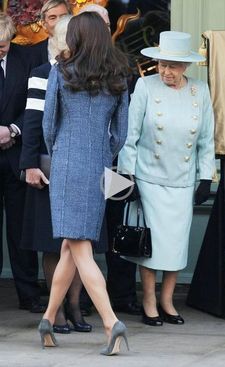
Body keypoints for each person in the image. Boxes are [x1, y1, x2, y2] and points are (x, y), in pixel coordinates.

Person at [39, 12, 129, 355]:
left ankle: (110, 322)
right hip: (99, 166)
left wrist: (60, 152)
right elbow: (120, 134)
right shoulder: (119, 75)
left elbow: (48, 125)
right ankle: (48, 319)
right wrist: (103, 155)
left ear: (76, 38)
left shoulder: (60, 71)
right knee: (71, 245)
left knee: (80, 247)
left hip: (66, 163)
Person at [117, 31, 216, 326]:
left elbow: (206, 139)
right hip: (148, 179)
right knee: (150, 246)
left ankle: (167, 301)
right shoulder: (145, 86)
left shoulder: (200, 90)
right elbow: (129, 136)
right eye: (161, 65)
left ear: (186, 66)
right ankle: (149, 301)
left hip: (182, 180)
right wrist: (128, 177)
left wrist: (205, 177)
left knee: (174, 245)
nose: (166, 71)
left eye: (172, 66)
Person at [20, 14, 92, 334]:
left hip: (81, 171)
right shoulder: (41, 73)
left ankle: (76, 307)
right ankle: (58, 310)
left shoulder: (89, 73)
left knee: (79, 243)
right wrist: (30, 165)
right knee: (53, 245)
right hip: (48, 170)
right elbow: (33, 124)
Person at [77, 2, 141, 317]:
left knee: (119, 226)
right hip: (84, 164)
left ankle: (123, 294)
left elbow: (126, 121)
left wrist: (117, 158)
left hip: (116, 163)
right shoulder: (71, 65)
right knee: (87, 231)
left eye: (104, 22)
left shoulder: (124, 64)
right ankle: (87, 298)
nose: (101, 29)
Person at [0, 12, 45, 312]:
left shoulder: (25, 59)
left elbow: (34, 109)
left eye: (2, 45)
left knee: (20, 233)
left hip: (17, 157)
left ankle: (29, 295)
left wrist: (12, 129)